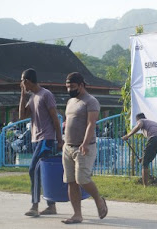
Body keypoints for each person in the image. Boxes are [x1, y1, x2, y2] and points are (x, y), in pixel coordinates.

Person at [62, 72, 108, 224]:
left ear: (81, 85)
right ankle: (77, 214)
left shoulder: (90, 101)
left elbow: (91, 124)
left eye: (73, 87)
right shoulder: (70, 102)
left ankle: (98, 200)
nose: (70, 90)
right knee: (71, 181)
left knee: (82, 179)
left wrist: (85, 143)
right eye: (68, 87)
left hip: (84, 147)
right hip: (68, 147)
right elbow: (69, 120)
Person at [19, 68, 63, 217]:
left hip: (47, 138)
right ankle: (51, 206)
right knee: (42, 171)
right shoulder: (32, 97)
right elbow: (21, 116)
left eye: (22, 81)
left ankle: (34, 205)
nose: (21, 84)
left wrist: (59, 139)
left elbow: (55, 118)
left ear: (27, 81)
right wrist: (23, 95)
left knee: (34, 169)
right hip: (35, 138)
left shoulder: (46, 94)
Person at [122, 113, 157, 187]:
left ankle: (145, 186)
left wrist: (128, 136)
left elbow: (139, 125)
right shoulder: (152, 122)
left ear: (137, 119)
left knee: (145, 163)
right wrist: (143, 157)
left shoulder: (141, 121)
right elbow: (151, 150)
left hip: (154, 137)